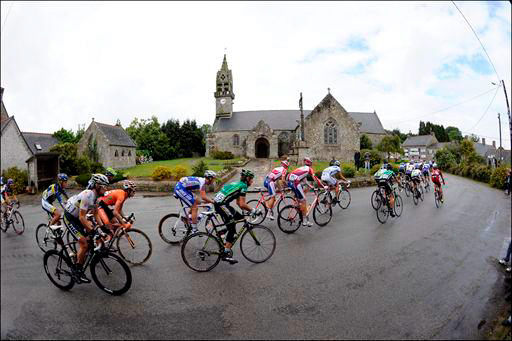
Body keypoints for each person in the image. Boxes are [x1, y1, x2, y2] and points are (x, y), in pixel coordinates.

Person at [63, 174, 109, 283]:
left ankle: (80, 256)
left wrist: (104, 228)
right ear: (97, 185)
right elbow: (82, 217)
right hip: (70, 216)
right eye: (104, 186)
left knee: (94, 236)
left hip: (78, 216)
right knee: (84, 243)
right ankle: (77, 270)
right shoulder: (88, 195)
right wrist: (93, 232)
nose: (106, 188)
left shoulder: (97, 198)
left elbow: (96, 214)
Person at [213, 169, 256, 264]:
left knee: (240, 218)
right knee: (232, 228)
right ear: (247, 179)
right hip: (221, 205)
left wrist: (246, 211)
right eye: (251, 179)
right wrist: (253, 210)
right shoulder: (243, 186)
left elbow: (238, 203)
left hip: (221, 203)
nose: (252, 181)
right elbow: (242, 204)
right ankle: (226, 253)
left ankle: (222, 233)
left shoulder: (238, 183)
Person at [288, 157, 328, 227]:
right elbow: (315, 178)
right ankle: (304, 221)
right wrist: (323, 186)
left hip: (290, 182)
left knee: (299, 199)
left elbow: (304, 180)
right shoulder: (309, 169)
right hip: (295, 183)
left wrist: (310, 186)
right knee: (304, 200)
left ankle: (298, 209)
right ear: (310, 163)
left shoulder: (303, 168)